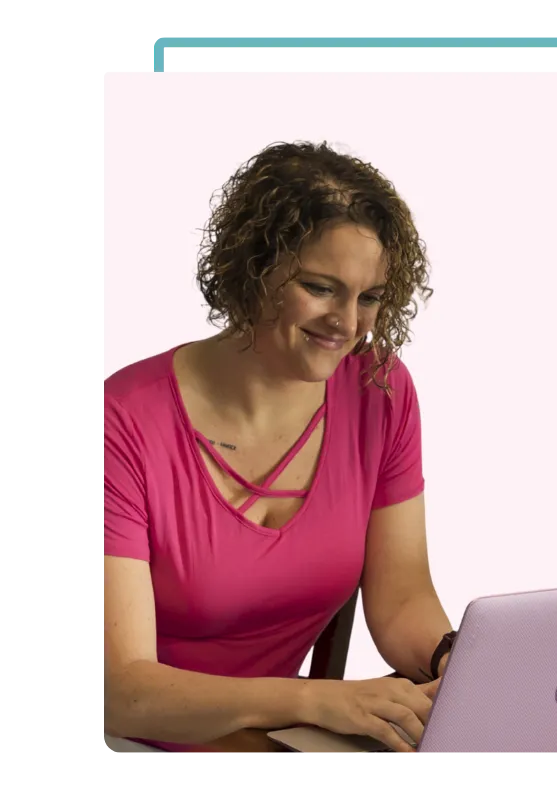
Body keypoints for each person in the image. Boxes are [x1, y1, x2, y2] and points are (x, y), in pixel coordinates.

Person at [103, 141, 455, 757]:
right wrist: (318, 701)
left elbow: (402, 600)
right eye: (322, 288)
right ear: (254, 269)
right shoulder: (124, 422)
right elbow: (122, 691)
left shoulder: (380, 389)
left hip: (278, 739)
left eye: (369, 297)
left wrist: (453, 658)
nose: (348, 324)